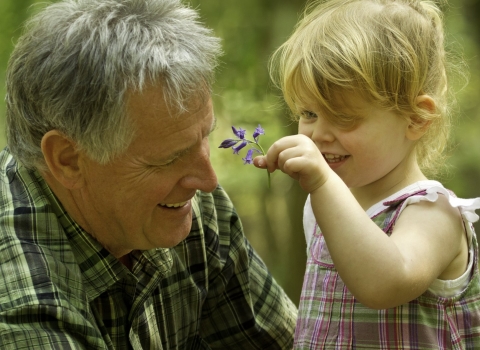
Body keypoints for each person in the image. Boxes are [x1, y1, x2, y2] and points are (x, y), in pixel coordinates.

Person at [0, 0, 297, 348]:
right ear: (68, 160)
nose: (208, 181)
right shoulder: (20, 301)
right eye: (168, 158)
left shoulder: (189, 207)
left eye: (205, 137)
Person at [254, 0, 480, 348]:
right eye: (309, 113)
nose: (318, 135)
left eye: (344, 117)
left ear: (416, 119)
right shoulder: (324, 207)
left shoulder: (434, 214)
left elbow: (385, 283)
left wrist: (324, 184)